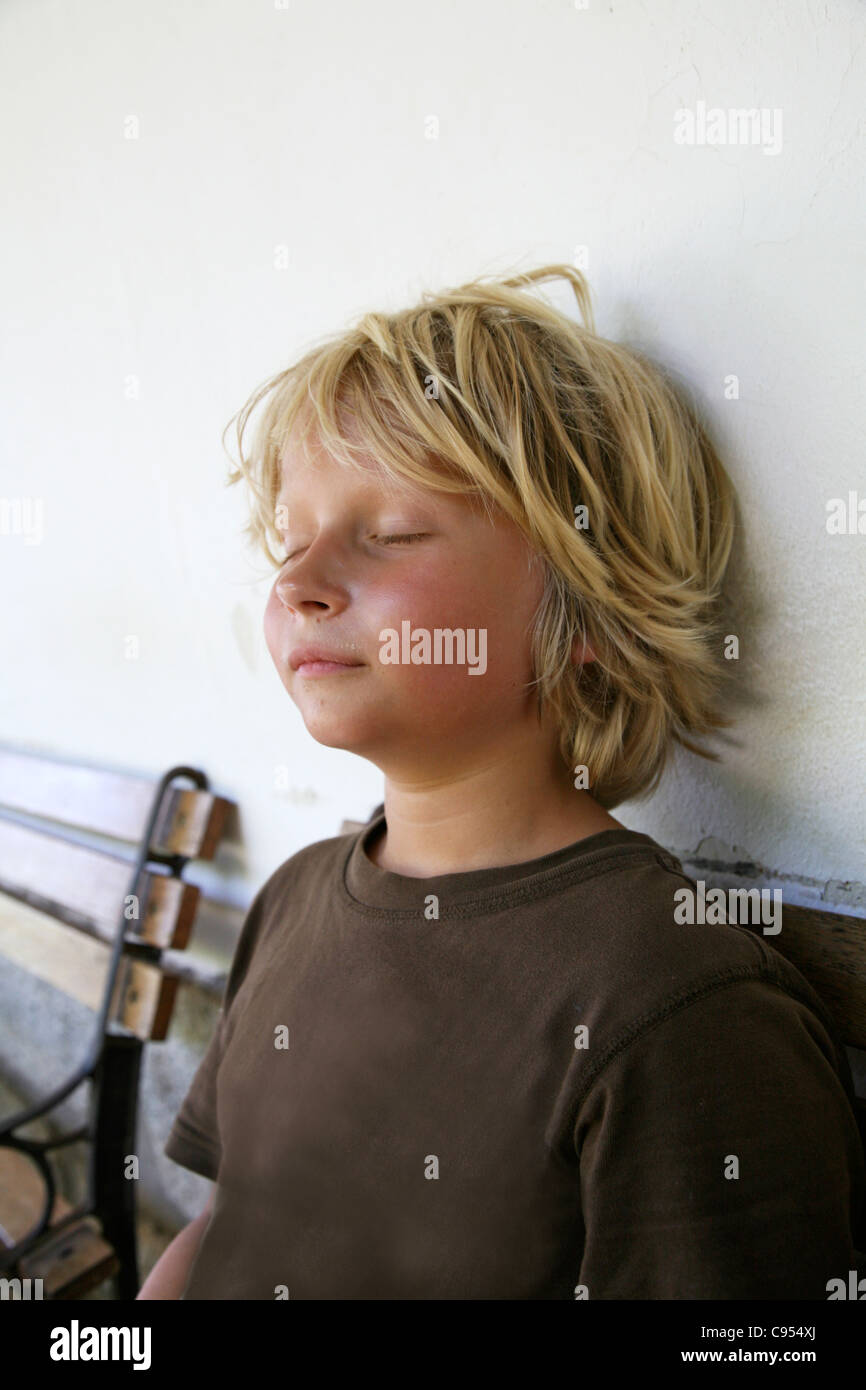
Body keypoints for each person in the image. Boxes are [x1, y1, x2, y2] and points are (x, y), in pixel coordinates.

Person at [137, 264, 865, 1300]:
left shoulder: (678, 1010)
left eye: (389, 533)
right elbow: (225, 1229)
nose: (295, 583)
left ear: (586, 601)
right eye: (289, 542)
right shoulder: (293, 898)